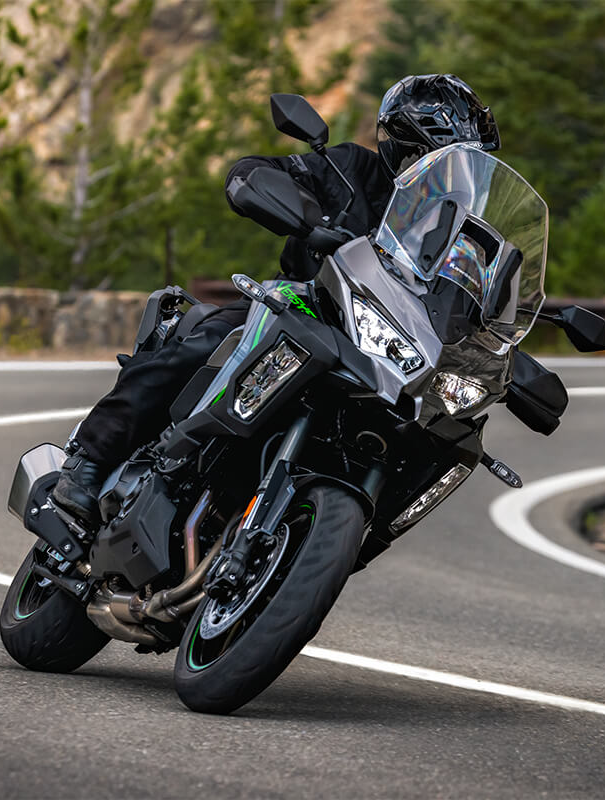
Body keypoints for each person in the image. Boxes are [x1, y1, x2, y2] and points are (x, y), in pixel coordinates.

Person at [51, 74, 501, 527]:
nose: (451, 175)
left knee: (422, 441)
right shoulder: (350, 169)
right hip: (302, 305)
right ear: (405, 146)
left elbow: (472, 308)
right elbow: (257, 173)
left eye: (464, 166)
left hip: (384, 353)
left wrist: (508, 349)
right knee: (211, 339)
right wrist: (277, 197)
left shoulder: (461, 239)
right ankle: (89, 460)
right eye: (441, 160)